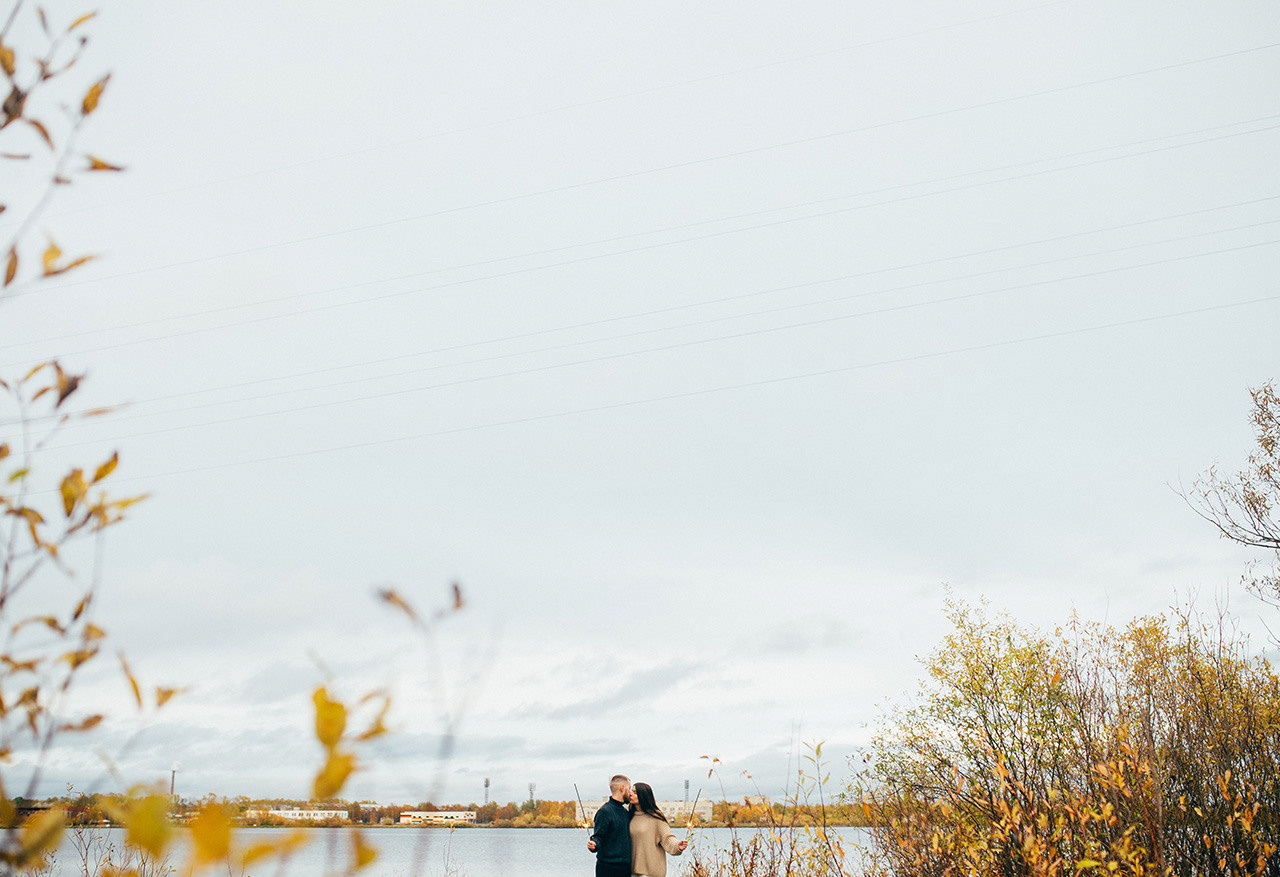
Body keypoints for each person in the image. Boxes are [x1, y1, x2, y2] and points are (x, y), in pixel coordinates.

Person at [628, 782, 687, 877]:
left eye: (635, 792)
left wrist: (677, 845)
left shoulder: (655, 818)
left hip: (651, 873)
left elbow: (667, 837)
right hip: (632, 873)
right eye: (631, 791)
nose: (630, 794)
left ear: (643, 796)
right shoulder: (630, 816)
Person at [587, 774, 632, 877]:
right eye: (629, 789)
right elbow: (598, 836)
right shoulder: (605, 812)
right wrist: (594, 844)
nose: (629, 793)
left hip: (625, 869)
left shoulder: (625, 812)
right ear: (622, 788)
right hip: (608, 869)